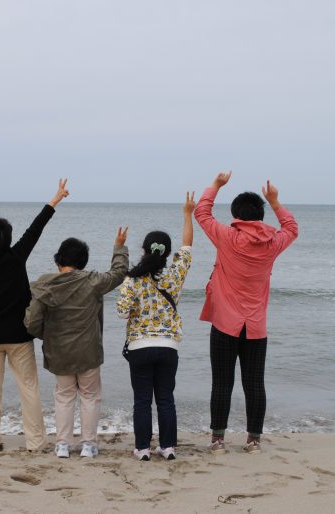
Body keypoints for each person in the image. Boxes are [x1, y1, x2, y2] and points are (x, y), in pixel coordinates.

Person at [0, 179, 70, 452]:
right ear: (8, 240)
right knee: (28, 388)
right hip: (19, 335)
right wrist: (55, 199)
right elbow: (36, 228)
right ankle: (36, 442)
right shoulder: (16, 256)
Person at [195, 171, 298, 454]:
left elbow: (202, 213)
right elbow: (291, 228)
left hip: (224, 324)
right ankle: (253, 441)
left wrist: (216, 185)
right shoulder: (272, 243)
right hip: (255, 327)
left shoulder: (227, 237)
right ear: (260, 216)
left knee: (222, 383)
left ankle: (218, 440)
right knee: (254, 384)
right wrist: (275, 202)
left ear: (236, 215)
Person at [24, 228, 129, 459]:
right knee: (90, 396)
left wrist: (47, 336)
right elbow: (119, 273)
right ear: (83, 261)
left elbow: (32, 321)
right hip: (88, 351)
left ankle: (62, 444)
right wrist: (119, 247)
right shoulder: (92, 281)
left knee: (64, 396)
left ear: (59, 259)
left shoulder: (44, 285)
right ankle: (88, 445)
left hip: (59, 352)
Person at [116, 192, 196, 461]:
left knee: (142, 400)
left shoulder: (133, 279)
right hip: (168, 346)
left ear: (143, 250)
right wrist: (188, 214)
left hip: (139, 347)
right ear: (168, 253)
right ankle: (168, 447)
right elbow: (187, 247)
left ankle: (142, 449)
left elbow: (121, 312)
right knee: (165, 399)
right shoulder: (174, 275)